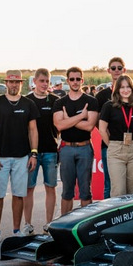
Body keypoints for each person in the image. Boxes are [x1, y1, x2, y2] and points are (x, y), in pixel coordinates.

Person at [0, 70, 39, 244]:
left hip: (21, 157)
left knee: (19, 194)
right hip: (0, 158)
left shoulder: (28, 104)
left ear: (21, 83)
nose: (14, 85)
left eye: (17, 82)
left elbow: (33, 130)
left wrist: (33, 153)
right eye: (11, 82)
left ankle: (16, 230)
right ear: (6, 83)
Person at [54, 66, 99, 215]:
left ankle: (87, 223)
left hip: (84, 148)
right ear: (67, 81)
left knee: (85, 191)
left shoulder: (91, 101)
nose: (75, 82)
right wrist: (81, 116)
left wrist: (68, 119)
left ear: (82, 80)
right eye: (72, 79)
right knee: (67, 191)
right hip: (66, 148)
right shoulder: (60, 103)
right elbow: (59, 125)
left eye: (78, 79)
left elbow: (89, 126)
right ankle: (64, 223)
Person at [22, 68, 59, 234]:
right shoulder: (26, 101)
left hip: (51, 151)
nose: (44, 84)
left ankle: (49, 224)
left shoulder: (55, 100)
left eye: (47, 81)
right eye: (41, 81)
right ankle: (27, 224)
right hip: (31, 153)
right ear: (34, 82)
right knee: (28, 188)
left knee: (50, 187)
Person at [98, 74, 133, 197]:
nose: (125, 90)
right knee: (118, 191)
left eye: (128, 87)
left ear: (132, 89)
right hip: (116, 150)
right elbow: (102, 129)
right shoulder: (109, 106)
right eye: (122, 87)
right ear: (117, 89)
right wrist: (112, 145)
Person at [96, 56, 128, 199]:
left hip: (128, 146)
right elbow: (97, 122)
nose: (116, 70)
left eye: (119, 68)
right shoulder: (102, 95)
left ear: (124, 70)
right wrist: (109, 140)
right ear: (108, 70)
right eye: (113, 68)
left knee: (127, 185)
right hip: (108, 145)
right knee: (109, 183)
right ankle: (109, 211)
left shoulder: (131, 94)